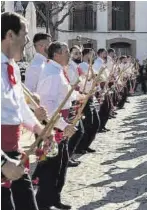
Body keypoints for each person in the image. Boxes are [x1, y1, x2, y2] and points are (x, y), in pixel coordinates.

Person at [1, 12, 49, 210]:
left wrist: (40, 129)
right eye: (25, 34)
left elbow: (19, 105)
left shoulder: (10, 67)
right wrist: (2, 162)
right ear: (10, 35)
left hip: (15, 152)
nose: (28, 40)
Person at [36, 41, 81, 210]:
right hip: (52, 126)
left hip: (59, 123)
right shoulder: (52, 73)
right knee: (50, 166)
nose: (69, 54)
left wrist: (79, 96)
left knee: (60, 165)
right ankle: (43, 203)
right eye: (65, 51)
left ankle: (54, 198)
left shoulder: (57, 71)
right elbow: (48, 107)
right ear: (56, 54)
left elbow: (65, 93)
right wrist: (63, 125)